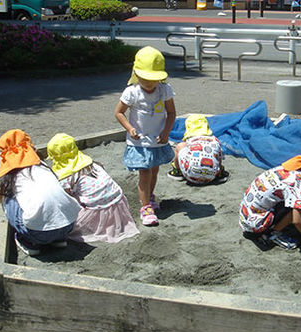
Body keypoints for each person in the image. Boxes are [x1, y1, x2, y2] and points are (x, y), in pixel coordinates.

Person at [114, 46, 176, 226]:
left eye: (153, 79)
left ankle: (149, 195)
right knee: (145, 172)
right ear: (136, 74)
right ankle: (146, 207)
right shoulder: (132, 92)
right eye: (145, 78)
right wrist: (129, 128)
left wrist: (166, 132)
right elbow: (119, 112)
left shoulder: (164, 90)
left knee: (154, 170)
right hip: (139, 142)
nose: (149, 83)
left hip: (158, 140)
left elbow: (171, 113)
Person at [0, 129, 81, 256]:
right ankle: (59, 240)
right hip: (68, 226)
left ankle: (30, 243)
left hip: (37, 234)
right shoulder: (43, 167)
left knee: (9, 199)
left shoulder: (12, 177)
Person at [238, 144, 301, 250]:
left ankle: (276, 227)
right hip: (256, 224)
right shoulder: (297, 183)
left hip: (247, 216)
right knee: (295, 210)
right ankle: (272, 234)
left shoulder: (292, 169)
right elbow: (297, 219)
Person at [47, 133, 140, 243]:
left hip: (97, 210)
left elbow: (65, 200)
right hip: (118, 201)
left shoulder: (67, 176)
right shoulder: (92, 164)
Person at [167, 114, 229, 185]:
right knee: (216, 151)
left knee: (180, 146)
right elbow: (219, 157)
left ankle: (177, 171)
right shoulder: (214, 140)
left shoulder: (190, 140)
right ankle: (220, 173)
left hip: (190, 175)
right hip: (212, 175)